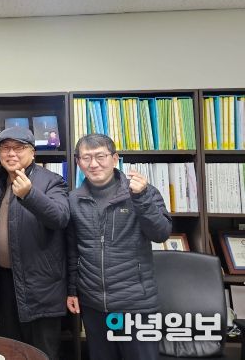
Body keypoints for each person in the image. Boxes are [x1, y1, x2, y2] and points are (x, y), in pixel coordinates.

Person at [66, 133, 172, 360]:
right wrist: (72, 290)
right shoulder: (73, 199)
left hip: (136, 304)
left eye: (100, 156)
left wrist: (141, 198)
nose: (93, 164)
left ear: (115, 159)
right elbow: (73, 250)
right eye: (86, 158)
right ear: (78, 162)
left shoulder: (142, 192)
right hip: (93, 304)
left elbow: (161, 233)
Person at [0, 126, 69, 360]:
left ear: (33, 152)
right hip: (5, 283)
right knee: (10, 350)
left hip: (40, 286)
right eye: (5, 148)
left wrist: (30, 194)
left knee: (40, 353)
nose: (11, 153)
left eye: (18, 148)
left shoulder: (52, 181)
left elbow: (60, 218)